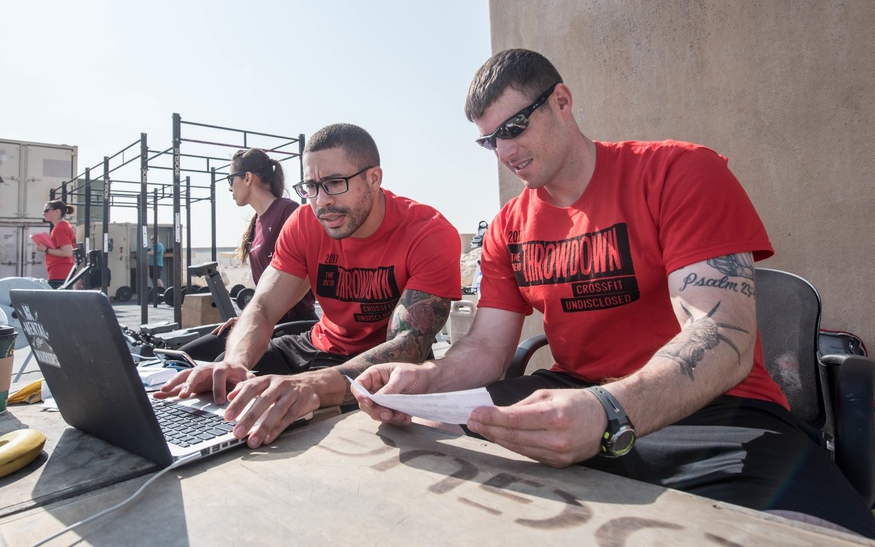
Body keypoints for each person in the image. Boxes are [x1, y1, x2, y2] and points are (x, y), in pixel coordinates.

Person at [352, 48, 875, 538]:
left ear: (562, 101)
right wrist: (428, 378)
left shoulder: (678, 171)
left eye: (514, 127)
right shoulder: (508, 227)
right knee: (423, 465)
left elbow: (724, 334)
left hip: (715, 413)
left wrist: (608, 409)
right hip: (573, 398)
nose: (505, 151)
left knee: (815, 531)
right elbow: (487, 349)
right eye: (490, 140)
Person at [156, 123, 462, 449]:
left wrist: (312, 386)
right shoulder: (304, 223)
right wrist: (236, 361)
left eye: (334, 183)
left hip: (378, 364)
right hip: (313, 347)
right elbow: (262, 307)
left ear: (374, 178)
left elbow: (409, 347)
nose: (321, 201)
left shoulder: (427, 231)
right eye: (311, 186)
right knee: (211, 384)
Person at [181, 148, 317, 360]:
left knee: (219, 363)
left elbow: (310, 273)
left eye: (230, 179)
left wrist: (263, 317)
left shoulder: (288, 211)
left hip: (294, 322)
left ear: (247, 178)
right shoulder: (257, 223)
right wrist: (249, 318)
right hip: (266, 320)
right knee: (187, 355)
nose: (229, 188)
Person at [34, 200, 75, 289]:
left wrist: (45, 249)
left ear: (57, 212)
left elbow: (67, 252)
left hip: (59, 274)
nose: (43, 214)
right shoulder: (64, 226)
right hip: (63, 274)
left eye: (46, 211)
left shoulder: (60, 228)